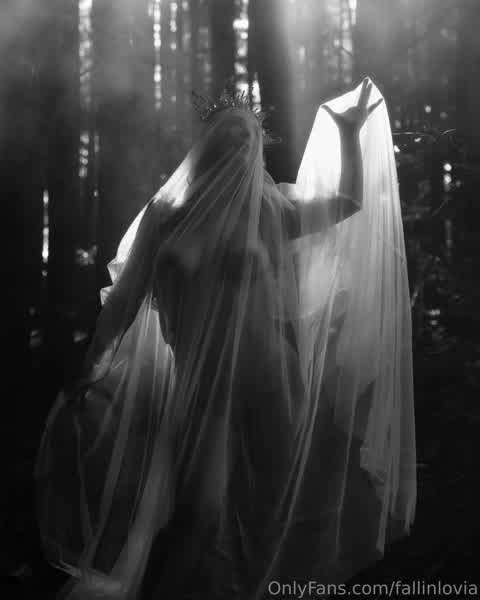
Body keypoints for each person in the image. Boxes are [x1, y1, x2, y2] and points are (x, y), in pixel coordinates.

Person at [35, 78, 416, 600]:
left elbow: (345, 203)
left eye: (248, 140)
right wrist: (93, 366)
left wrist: (348, 132)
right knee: (199, 510)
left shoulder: (268, 211)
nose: (239, 149)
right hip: (201, 389)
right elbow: (124, 301)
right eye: (229, 138)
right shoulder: (167, 217)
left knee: (265, 505)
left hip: (272, 377)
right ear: (208, 147)